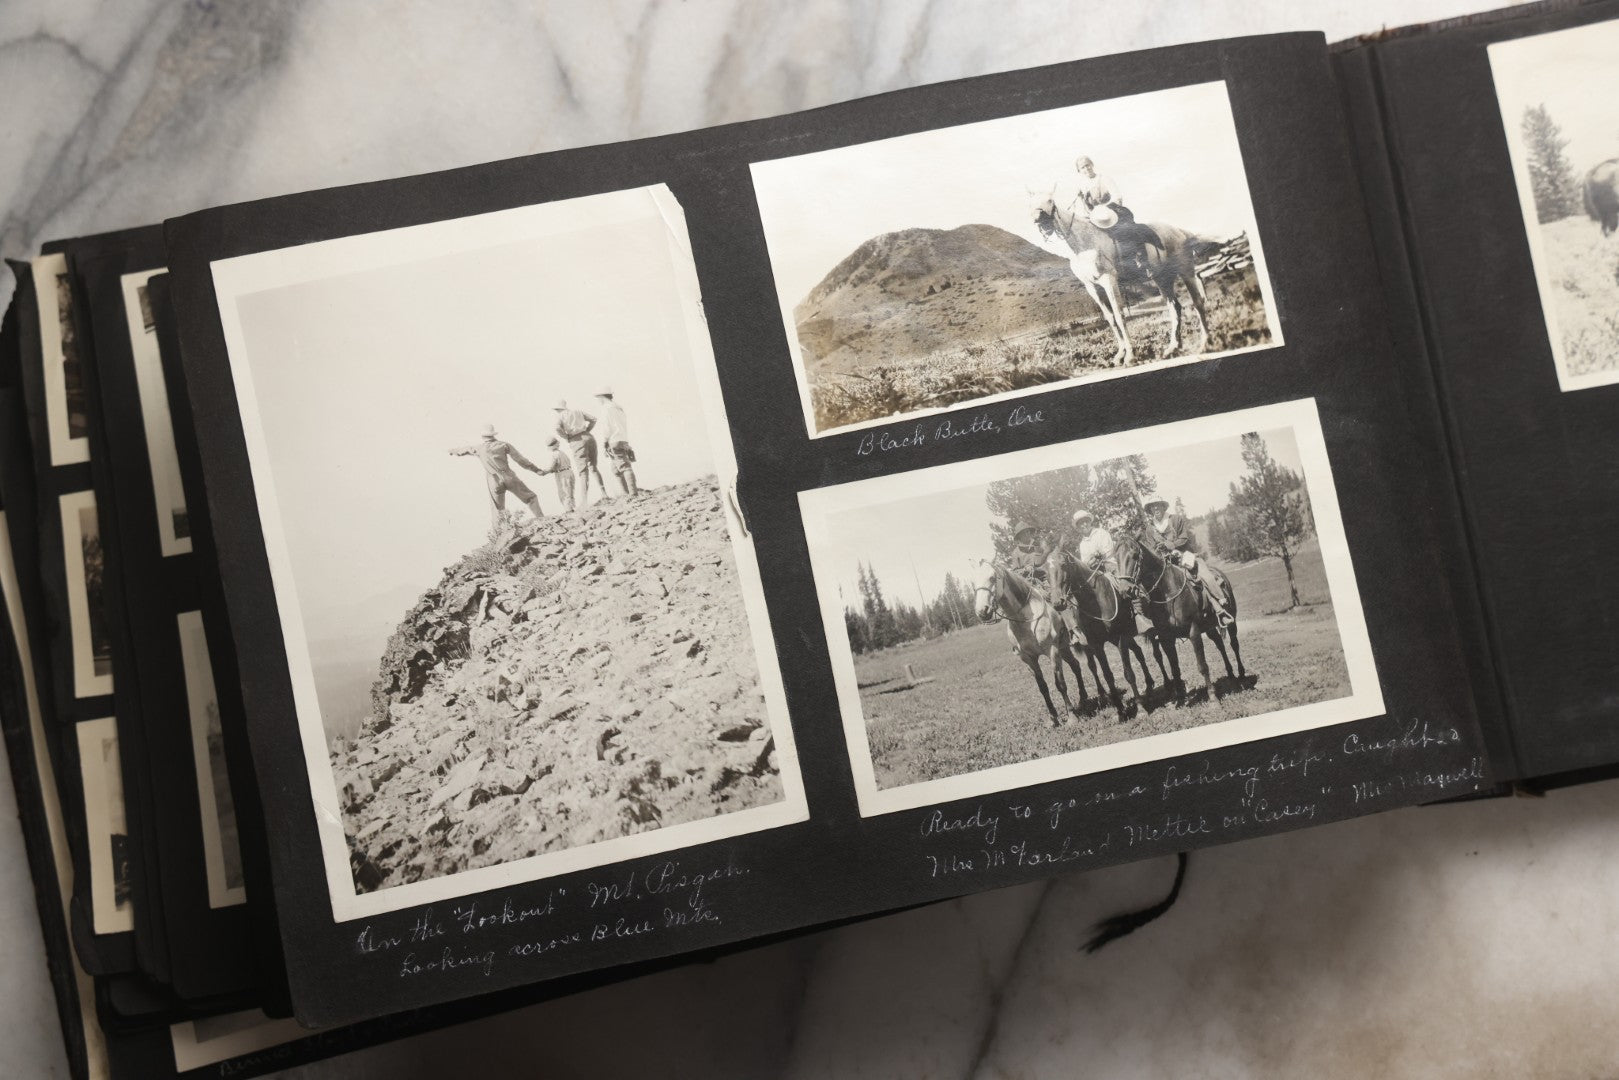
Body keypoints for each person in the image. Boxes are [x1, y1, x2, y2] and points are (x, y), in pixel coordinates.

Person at [1140, 497, 1234, 627]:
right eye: (1152, 506)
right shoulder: (1150, 529)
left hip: (1184, 555)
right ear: (1150, 510)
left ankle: (1219, 607)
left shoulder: (1175, 519)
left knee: (1204, 575)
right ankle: (1158, 624)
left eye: (1157, 505)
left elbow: (1184, 538)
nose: (1155, 508)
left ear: (1163, 506)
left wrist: (1170, 545)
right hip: (1164, 562)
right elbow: (1152, 548)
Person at [1074, 155, 1162, 275]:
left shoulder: (1104, 179)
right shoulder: (1082, 187)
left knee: (1126, 231)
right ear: (1080, 171)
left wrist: (1104, 207)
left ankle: (1143, 261)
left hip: (1114, 211)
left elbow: (1117, 196)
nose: (1086, 168)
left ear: (1092, 165)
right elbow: (1086, 208)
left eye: (1088, 165)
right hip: (1096, 217)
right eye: (1083, 167)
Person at [448, 424, 545, 527]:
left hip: (494, 481)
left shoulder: (479, 448)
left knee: (497, 510)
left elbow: (464, 450)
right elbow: (520, 460)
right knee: (531, 498)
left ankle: (499, 535)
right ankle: (543, 521)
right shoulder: (503, 445)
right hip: (509, 477)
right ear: (493, 434)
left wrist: (453, 451)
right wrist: (536, 470)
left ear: (483, 437)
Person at [552, 399, 606, 509]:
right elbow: (594, 419)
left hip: (576, 440)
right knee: (594, 467)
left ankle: (584, 501)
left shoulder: (560, 416)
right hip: (589, 437)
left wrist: (566, 436)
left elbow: (557, 428)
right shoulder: (577, 411)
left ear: (558, 409)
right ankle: (603, 493)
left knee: (582, 471)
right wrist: (587, 430)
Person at [594, 386, 638, 497]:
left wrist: (604, 442)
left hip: (613, 440)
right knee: (616, 469)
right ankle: (626, 493)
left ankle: (632, 494)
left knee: (624, 467)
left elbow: (607, 428)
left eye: (598, 397)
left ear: (602, 396)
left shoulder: (606, 408)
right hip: (623, 439)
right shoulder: (618, 407)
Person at [534, 436, 575, 513]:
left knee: (564, 493)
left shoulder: (554, 454)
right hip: (568, 472)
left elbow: (550, 467)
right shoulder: (561, 452)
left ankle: (569, 511)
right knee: (569, 492)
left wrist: (543, 472)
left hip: (562, 474)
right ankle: (571, 510)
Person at [1007, 520, 1054, 585]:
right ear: (1019, 536)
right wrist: (1025, 569)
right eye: (1024, 533)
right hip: (1028, 584)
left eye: (1028, 531)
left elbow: (1051, 558)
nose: (1027, 534)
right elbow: (1015, 572)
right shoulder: (1016, 552)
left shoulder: (1040, 544)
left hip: (1046, 579)